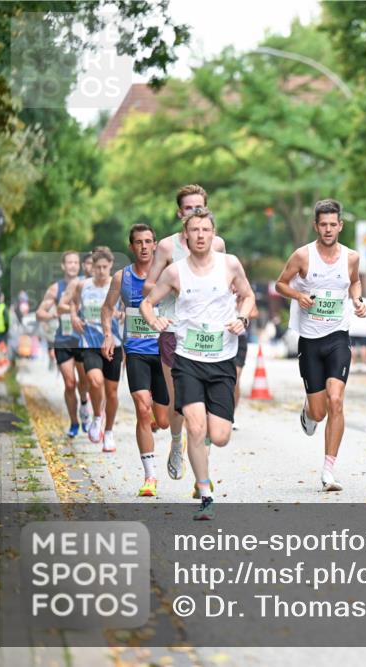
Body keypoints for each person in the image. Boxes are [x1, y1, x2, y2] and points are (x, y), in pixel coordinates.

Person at [141, 208, 254, 520]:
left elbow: (248, 296)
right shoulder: (175, 272)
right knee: (194, 425)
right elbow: (147, 302)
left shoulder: (229, 264)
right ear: (186, 235)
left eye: (206, 229)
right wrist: (155, 320)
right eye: (195, 230)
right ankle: (205, 493)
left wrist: (242, 317)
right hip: (187, 358)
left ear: (213, 234)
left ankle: (203, 447)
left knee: (219, 436)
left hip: (221, 360)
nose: (201, 235)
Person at [274, 199, 366, 492]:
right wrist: (297, 296)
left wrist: (357, 300)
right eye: (323, 224)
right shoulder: (303, 256)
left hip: (338, 336)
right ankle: (308, 411)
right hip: (310, 340)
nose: (328, 229)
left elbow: (355, 282)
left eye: (333, 224)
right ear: (316, 226)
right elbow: (280, 284)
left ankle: (328, 471)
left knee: (336, 399)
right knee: (319, 412)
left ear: (340, 225)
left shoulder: (351, 257)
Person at [144, 184, 227, 481]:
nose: (193, 212)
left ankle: (202, 461)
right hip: (174, 330)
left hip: (208, 331)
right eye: (188, 208)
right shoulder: (166, 247)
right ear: (180, 213)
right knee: (179, 398)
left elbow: (225, 282)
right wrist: (173, 287)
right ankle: (177, 444)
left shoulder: (217, 245)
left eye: (199, 207)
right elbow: (148, 286)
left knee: (206, 402)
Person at [101, 224, 171, 497]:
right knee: (143, 409)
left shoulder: (168, 274)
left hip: (164, 352)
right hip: (136, 352)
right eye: (138, 242)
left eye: (148, 241)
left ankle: (169, 430)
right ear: (131, 247)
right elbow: (108, 308)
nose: (143, 246)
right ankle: (150, 477)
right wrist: (108, 335)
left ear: (155, 245)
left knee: (163, 420)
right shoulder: (122, 277)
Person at [61, 247, 123, 451]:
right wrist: (74, 316)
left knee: (112, 393)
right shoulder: (82, 285)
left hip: (114, 343)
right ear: (92, 268)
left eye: (105, 267)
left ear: (111, 266)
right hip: (90, 344)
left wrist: (121, 316)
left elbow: (128, 309)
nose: (102, 271)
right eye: (98, 267)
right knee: (95, 381)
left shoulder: (118, 285)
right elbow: (72, 303)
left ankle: (109, 432)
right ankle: (97, 417)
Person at [35, 251, 92, 437]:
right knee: (69, 383)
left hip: (83, 340)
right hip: (63, 340)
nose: (73, 265)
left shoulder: (86, 284)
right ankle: (74, 423)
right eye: (69, 262)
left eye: (76, 262)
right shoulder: (55, 288)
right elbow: (39, 313)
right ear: (63, 266)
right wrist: (54, 314)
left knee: (84, 382)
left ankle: (84, 403)